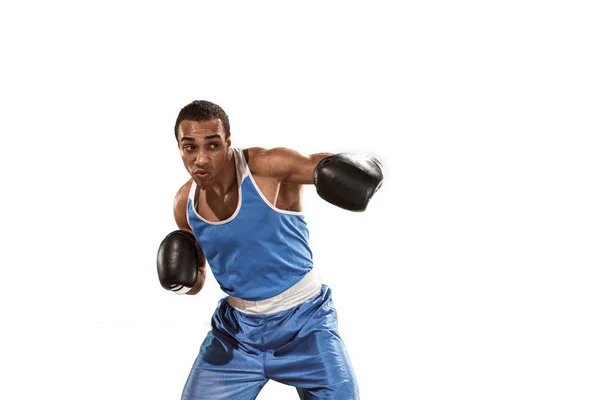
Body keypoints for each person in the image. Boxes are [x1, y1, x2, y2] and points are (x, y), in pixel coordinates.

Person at [157, 100, 383, 399]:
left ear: (227, 142)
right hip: (237, 335)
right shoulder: (185, 204)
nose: (201, 158)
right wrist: (182, 281)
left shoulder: (266, 168)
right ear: (180, 148)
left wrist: (358, 170)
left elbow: (315, 165)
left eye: (212, 145)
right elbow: (197, 281)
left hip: (305, 325)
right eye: (190, 147)